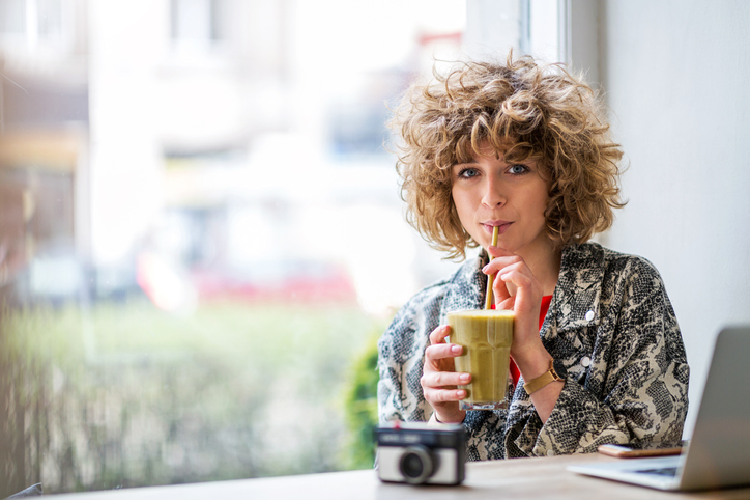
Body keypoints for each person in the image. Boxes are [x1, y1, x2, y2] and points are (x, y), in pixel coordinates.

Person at [377, 53, 690, 461]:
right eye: (469, 172)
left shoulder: (628, 291)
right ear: (445, 188)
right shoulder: (416, 325)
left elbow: (652, 461)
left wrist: (532, 358)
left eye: (517, 168)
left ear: (558, 179)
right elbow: (396, 483)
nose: (491, 197)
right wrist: (443, 421)